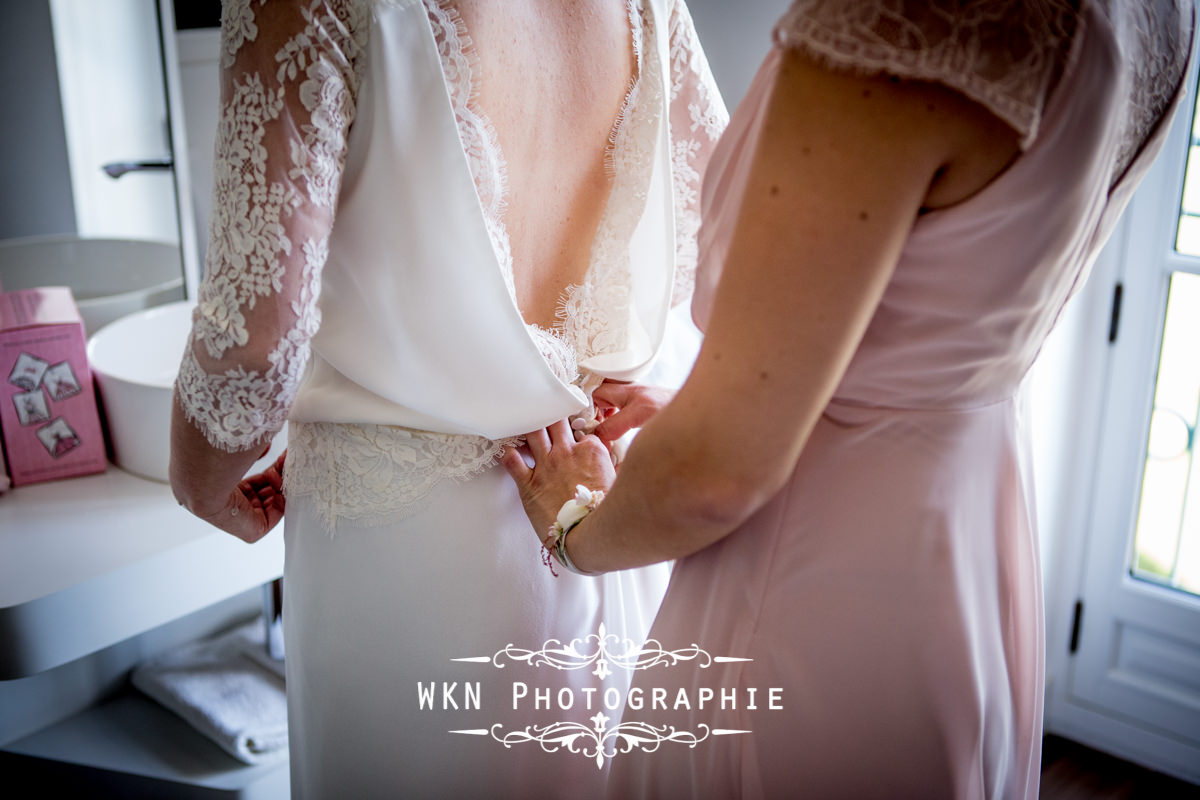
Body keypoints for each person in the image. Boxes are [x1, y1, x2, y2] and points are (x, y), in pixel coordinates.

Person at [501, 1, 1196, 797]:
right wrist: (756, 391)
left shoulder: (904, 23)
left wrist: (573, 527)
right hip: (968, 535)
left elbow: (714, 478)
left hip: (822, 577)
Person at [168, 0, 726, 796]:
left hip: (403, 570)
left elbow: (251, 351)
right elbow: (734, 219)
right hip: (595, 504)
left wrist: (202, 486)